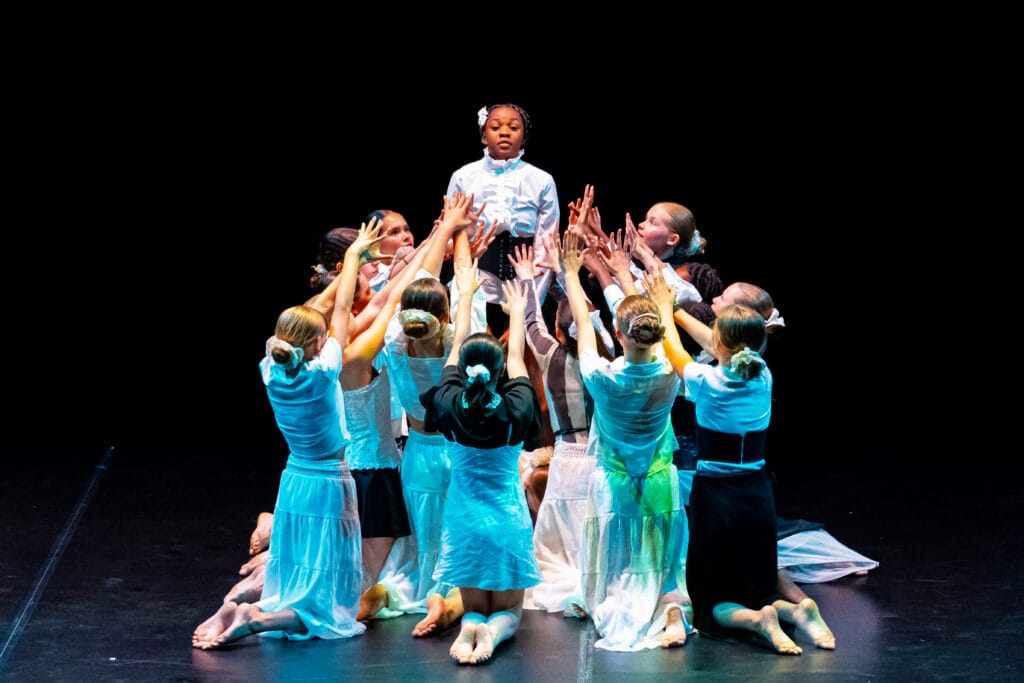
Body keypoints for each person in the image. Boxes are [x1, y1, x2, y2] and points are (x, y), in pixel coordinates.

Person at [192, 219, 384, 650]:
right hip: (329, 481)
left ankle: (237, 605)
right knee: (328, 589)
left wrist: (349, 260)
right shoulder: (322, 372)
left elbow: (303, 327)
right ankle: (255, 621)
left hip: (294, 479)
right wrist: (353, 257)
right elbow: (341, 311)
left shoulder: (271, 372)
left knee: (296, 564)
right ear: (315, 344)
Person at [647, 270, 836, 655]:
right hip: (756, 491)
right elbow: (721, 346)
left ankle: (759, 621)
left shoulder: (707, 381)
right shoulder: (762, 374)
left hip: (717, 494)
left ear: (720, 342)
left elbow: (675, 350)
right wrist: (678, 310)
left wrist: (665, 309)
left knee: (711, 598)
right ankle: (798, 610)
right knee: (756, 584)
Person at [560, 230, 694, 652]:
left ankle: (618, 603)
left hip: (615, 481)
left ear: (619, 335)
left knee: (616, 557)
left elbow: (583, 322)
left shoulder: (602, 378)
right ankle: (671, 611)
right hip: (660, 479)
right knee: (662, 560)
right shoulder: (670, 371)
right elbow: (651, 328)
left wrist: (571, 274)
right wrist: (634, 283)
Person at [420, 262, 543, 665]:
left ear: (464, 370)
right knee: (510, 613)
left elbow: (456, 348)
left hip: (464, 520)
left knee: (473, 604)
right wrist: (517, 313)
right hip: (506, 519)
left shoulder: (447, 401)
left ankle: (470, 626)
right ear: (498, 371)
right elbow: (518, 358)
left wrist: (465, 296)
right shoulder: (516, 406)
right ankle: (492, 631)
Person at [507, 242, 611, 614]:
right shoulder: (607, 356)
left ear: (559, 329)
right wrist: (568, 277)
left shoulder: (551, 355)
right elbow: (589, 318)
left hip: (568, 456)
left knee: (563, 539)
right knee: (594, 525)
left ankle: (576, 588)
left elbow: (530, 322)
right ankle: (594, 583)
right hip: (600, 454)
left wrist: (526, 279)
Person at [446, 102, 560, 337]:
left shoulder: (542, 180)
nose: (505, 132)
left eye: (514, 127)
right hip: (477, 279)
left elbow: (545, 244)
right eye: (496, 127)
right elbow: (453, 235)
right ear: (483, 136)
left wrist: (528, 311)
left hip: (526, 282)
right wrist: (472, 310)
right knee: (477, 345)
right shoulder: (463, 177)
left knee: (524, 349)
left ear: (524, 137)